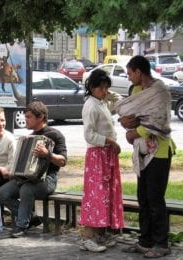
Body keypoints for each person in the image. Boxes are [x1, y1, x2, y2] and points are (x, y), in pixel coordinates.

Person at [116, 55, 175, 258]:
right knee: (143, 198)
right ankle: (145, 240)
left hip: (159, 151)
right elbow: (129, 116)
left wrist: (136, 132)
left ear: (139, 71)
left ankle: (161, 243)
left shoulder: (160, 91)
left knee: (155, 198)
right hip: (141, 152)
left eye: (130, 73)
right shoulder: (136, 91)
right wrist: (126, 124)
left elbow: (159, 122)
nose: (128, 76)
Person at [0, 101, 67, 238]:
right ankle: (31, 217)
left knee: (26, 189)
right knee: (2, 193)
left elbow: (63, 161)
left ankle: (22, 225)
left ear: (40, 117)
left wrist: (48, 154)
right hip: (26, 179)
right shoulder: (30, 136)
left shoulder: (55, 135)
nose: (25, 120)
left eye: (28, 117)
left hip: (48, 179)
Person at [78, 69, 124, 252]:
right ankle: (87, 237)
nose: (104, 91)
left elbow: (118, 101)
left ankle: (99, 234)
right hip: (97, 155)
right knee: (95, 196)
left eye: (106, 88)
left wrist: (109, 93)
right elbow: (88, 134)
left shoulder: (102, 102)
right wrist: (109, 141)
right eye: (101, 87)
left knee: (106, 195)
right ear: (91, 87)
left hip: (106, 154)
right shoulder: (90, 105)